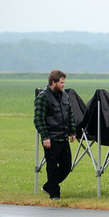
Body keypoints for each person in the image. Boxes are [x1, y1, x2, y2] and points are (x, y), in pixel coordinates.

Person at [34, 70, 76, 200]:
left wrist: (72, 131)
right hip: (51, 138)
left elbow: (70, 114)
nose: (63, 85)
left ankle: (48, 187)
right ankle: (54, 194)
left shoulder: (64, 96)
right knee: (52, 167)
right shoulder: (43, 98)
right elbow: (38, 119)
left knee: (67, 166)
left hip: (63, 137)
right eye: (61, 82)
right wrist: (45, 137)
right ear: (53, 82)